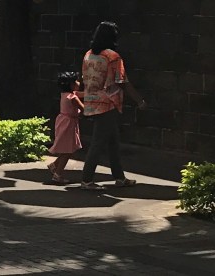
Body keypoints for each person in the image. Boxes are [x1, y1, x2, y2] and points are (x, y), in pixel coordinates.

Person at [80, 21, 146, 190]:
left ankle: (119, 177)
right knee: (98, 142)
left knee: (113, 142)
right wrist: (139, 100)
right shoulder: (113, 57)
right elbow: (122, 81)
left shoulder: (88, 55)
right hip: (108, 103)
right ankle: (86, 180)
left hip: (91, 100)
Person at [48, 71, 83, 184]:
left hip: (63, 121)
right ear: (71, 84)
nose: (79, 82)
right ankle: (57, 175)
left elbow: (81, 94)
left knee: (66, 146)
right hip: (69, 123)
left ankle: (54, 165)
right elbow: (84, 108)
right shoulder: (73, 97)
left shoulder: (65, 94)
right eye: (76, 81)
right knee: (68, 150)